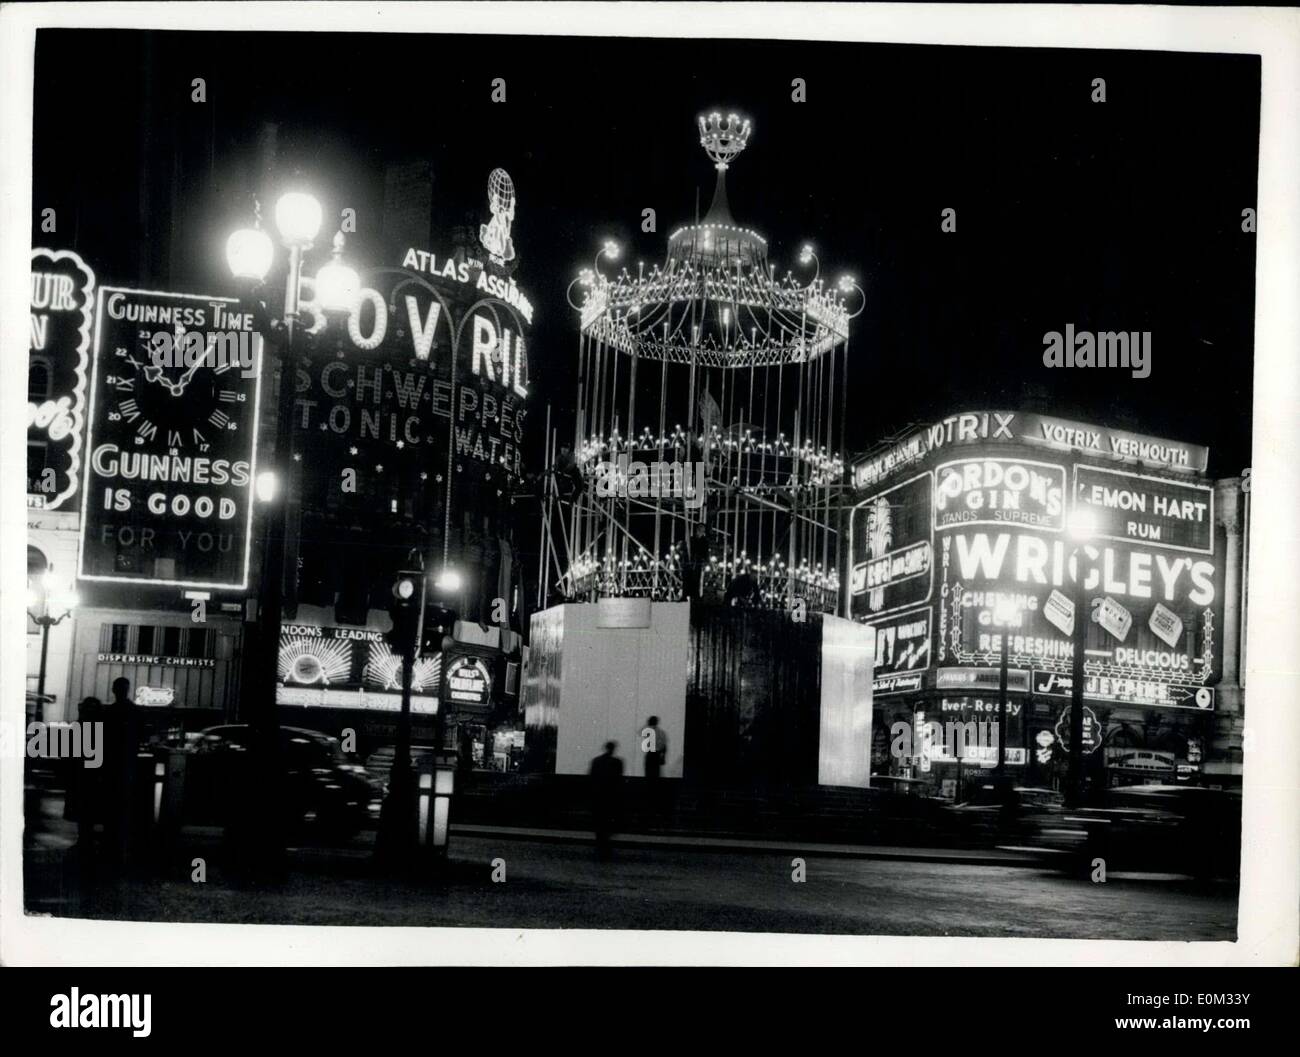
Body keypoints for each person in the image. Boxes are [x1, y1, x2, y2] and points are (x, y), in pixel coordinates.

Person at [102, 677, 141, 868]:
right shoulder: (135, 711)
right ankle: (120, 837)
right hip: (127, 764)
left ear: (113, 690)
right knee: (123, 802)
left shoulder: (108, 712)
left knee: (110, 802)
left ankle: (110, 837)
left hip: (110, 764)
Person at [589, 741, 624, 860]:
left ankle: (601, 847)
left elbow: (592, 778)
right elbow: (619, 780)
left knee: (599, 824)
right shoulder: (617, 762)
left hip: (598, 796)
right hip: (610, 797)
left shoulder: (596, 761)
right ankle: (605, 848)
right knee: (607, 823)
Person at [643, 716, 667, 782]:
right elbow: (664, 746)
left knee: (648, 775)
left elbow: (640, 732)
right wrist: (663, 757)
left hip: (650, 755)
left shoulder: (648, 731)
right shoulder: (661, 732)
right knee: (656, 775)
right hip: (657, 755)